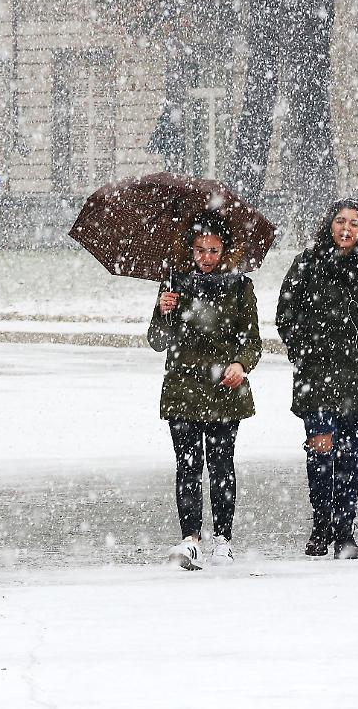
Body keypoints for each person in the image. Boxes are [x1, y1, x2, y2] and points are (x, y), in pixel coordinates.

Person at [276, 198, 358, 560]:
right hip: (316, 375)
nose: (346, 229)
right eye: (340, 221)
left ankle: (345, 531)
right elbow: (286, 313)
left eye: (354, 223)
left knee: (349, 456)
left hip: (357, 378)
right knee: (320, 453)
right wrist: (303, 351)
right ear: (329, 225)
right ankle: (321, 525)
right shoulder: (308, 262)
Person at [147, 211, 262, 571]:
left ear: (225, 249)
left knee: (221, 465)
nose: (206, 258)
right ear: (190, 249)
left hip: (224, 390)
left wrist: (240, 365)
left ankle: (223, 539)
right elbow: (157, 340)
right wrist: (162, 309)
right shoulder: (172, 284)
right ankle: (191, 538)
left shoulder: (240, 287)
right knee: (187, 466)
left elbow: (252, 340)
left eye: (213, 250)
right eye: (199, 249)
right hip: (183, 387)